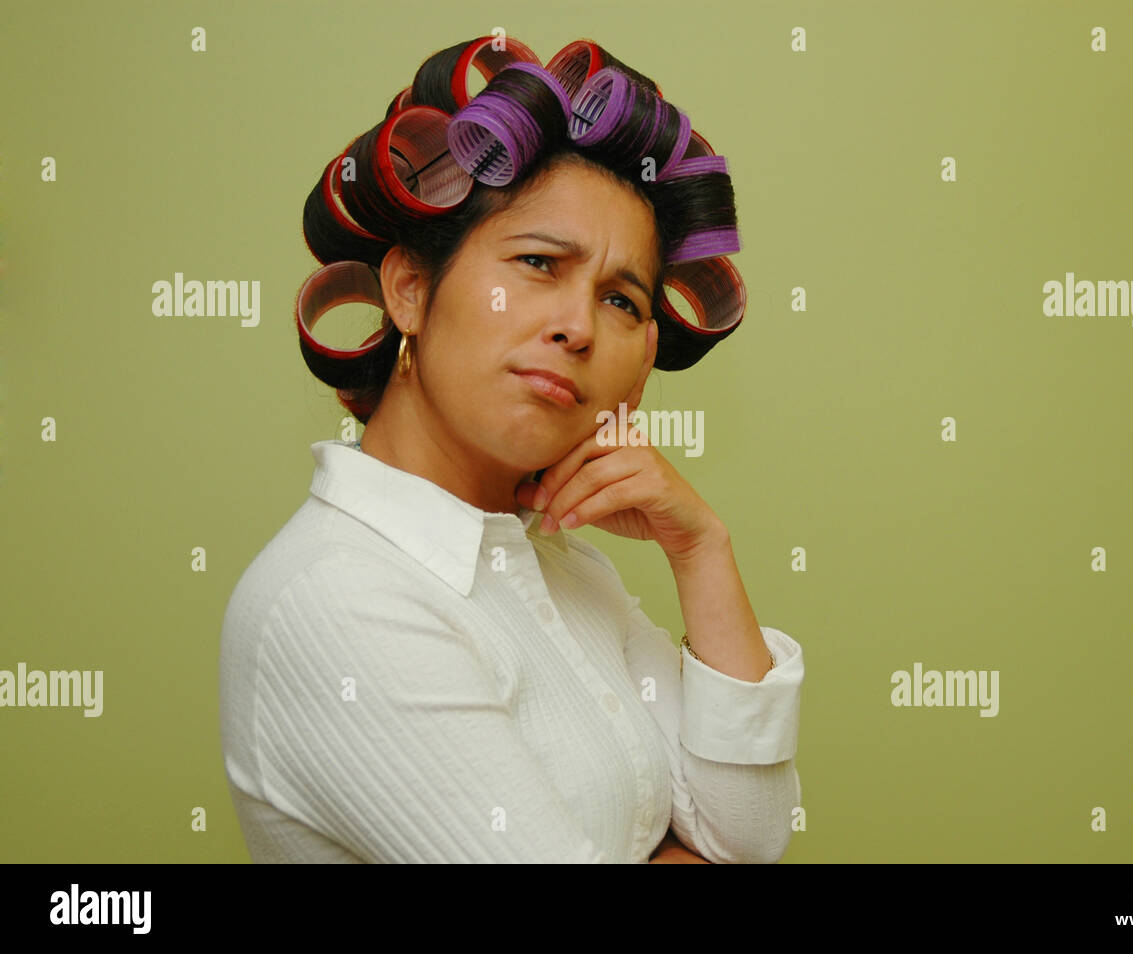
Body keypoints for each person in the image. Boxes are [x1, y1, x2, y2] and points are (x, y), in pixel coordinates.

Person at [219, 36, 805, 863]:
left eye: (621, 299)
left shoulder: (570, 570)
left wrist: (701, 550)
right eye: (537, 262)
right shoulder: (336, 597)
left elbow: (748, 835)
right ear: (410, 289)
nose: (577, 326)